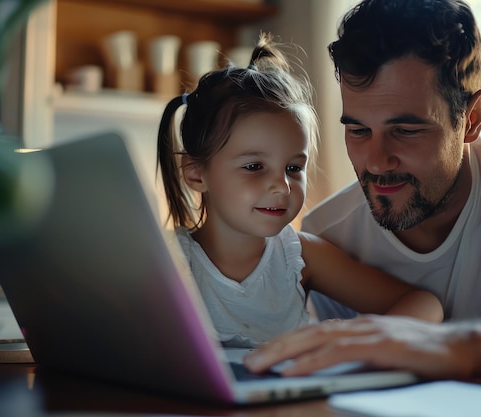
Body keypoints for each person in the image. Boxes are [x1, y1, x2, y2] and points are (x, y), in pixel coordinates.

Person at [244, 0, 481, 378]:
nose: (376, 162)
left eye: (406, 131)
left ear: (472, 119)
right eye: (358, 131)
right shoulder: (329, 235)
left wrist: (457, 347)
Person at [156, 33, 443, 349]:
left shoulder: (301, 256)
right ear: (197, 175)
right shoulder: (166, 261)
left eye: (293, 168)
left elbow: (424, 303)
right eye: (254, 167)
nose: (281, 185)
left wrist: (357, 338)